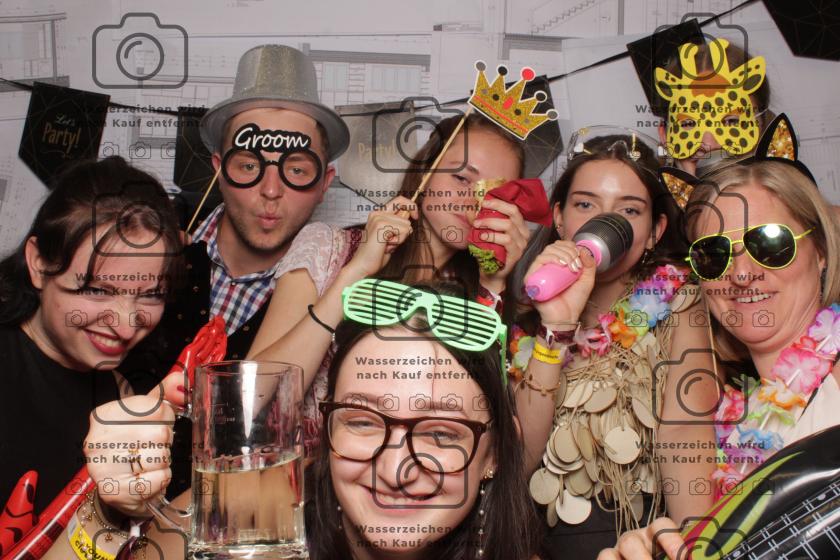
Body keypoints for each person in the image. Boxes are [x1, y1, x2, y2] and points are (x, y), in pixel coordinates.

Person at [45, 281, 540, 560]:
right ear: (324, 427)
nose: (395, 470)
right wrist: (109, 513)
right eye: (363, 421)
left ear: (496, 453)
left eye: (441, 432)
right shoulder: (252, 516)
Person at [599, 115, 840, 559]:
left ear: (820, 251)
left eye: (770, 243)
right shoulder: (737, 419)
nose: (742, 274)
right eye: (714, 254)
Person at [120, 43, 354, 495]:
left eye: (296, 171)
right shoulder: (154, 252)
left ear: (325, 182)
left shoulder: (337, 290)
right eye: (249, 165)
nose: (271, 190)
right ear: (218, 169)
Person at [248, 112, 537, 451]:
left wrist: (494, 285)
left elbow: (495, 447)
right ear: (425, 172)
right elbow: (251, 399)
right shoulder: (328, 248)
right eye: (461, 178)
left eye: (494, 193)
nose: (474, 201)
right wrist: (356, 271)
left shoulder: (486, 300)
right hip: (286, 474)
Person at [506, 128, 719, 559]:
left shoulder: (679, 303)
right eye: (586, 204)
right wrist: (556, 328)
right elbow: (519, 462)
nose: (606, 222)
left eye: (629, 210)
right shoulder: (524, 325)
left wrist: (692, 551)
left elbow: (685, 435)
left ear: (655, 230)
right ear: (560, 218)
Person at [0, 157, 182, 524]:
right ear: (38, 263)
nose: (126, 327)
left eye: (151, 295)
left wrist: (133, 508)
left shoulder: (123, 395)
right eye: (98, 290)